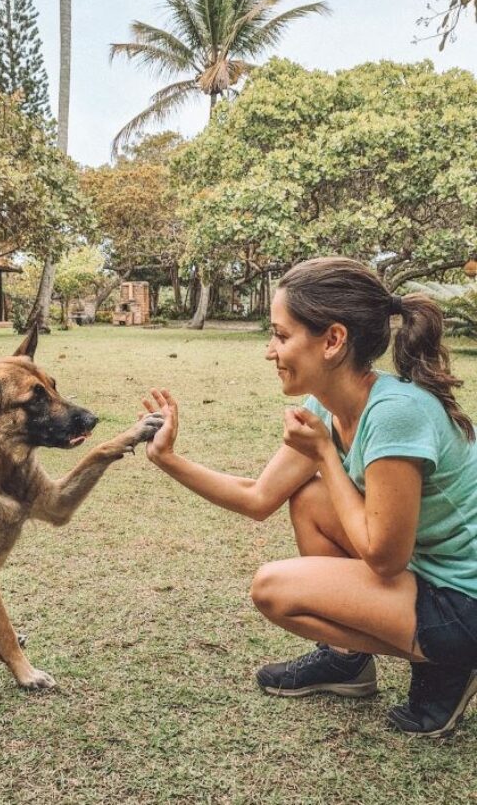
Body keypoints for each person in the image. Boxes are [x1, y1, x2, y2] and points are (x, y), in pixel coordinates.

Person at [142, 257, 477, 738]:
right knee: (311, 501)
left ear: (333, 341)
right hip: (432, 571)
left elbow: (384, 559)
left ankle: (453, 659)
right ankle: (347, 663)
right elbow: (258, 498)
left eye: (281, 335)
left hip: (465, 597)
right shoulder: (329, 403)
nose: (269, 350)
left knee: (274, 589)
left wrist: (324, 454)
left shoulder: (395, 415)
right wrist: (170, 459)